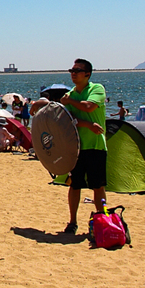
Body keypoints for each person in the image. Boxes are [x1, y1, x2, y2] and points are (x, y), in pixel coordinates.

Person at [60, 58, 107, 235]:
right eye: (71, 70)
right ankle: (72, 221)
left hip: (95, 146)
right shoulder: (71, 93)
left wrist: (70, 102)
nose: (73, 73)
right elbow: (70, 119)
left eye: (77, 70)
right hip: (76, 147)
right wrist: (87, 125)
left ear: (87, 74)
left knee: (98, 186)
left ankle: (102, 217)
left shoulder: (96, 88)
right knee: (75, 185)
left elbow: (88, 107)